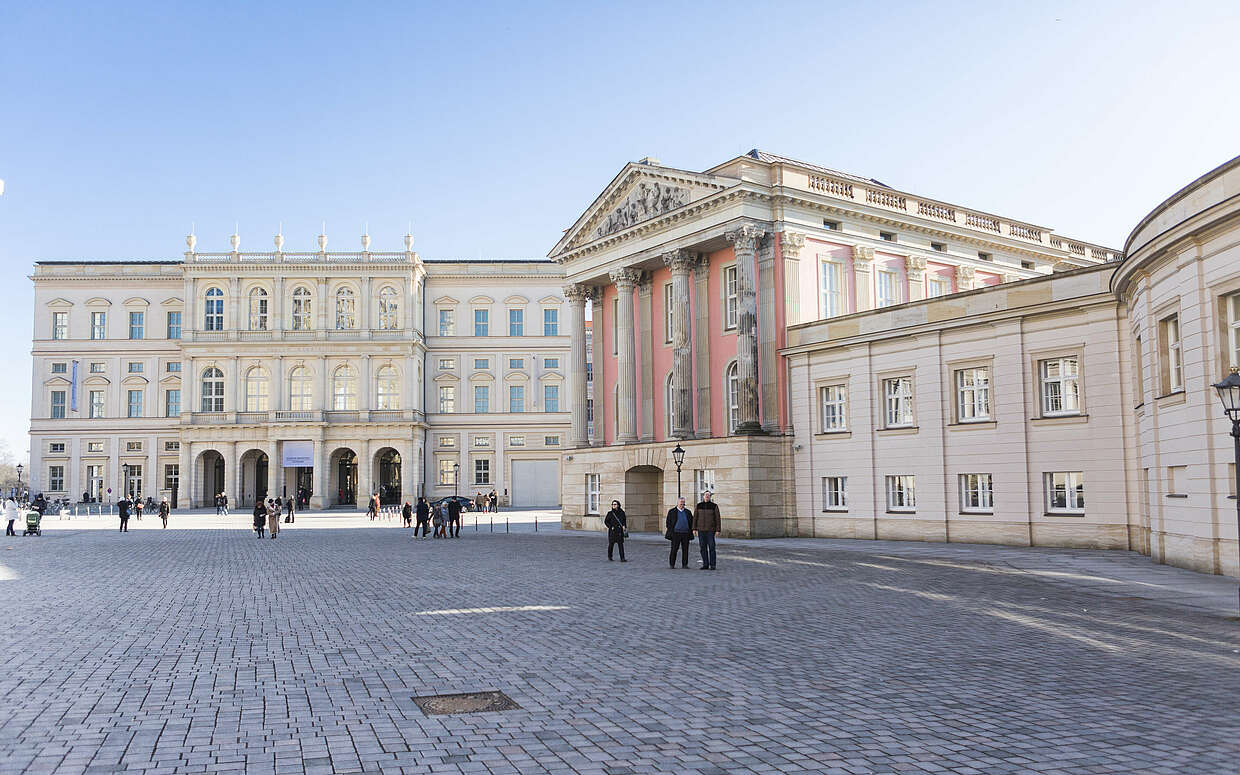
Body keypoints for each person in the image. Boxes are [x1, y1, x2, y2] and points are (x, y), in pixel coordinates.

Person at [693, 491, 721, 570]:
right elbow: (695, 518)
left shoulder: (714, 506)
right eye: (706, 495)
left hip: (710, 530)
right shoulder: (699, 506)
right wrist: (694, 528)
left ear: (710, 497)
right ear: (703, 496)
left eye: (708, 495)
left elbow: (717, 518)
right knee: (702, 547)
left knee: (712, 547)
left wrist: (717, 530)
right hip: (701, 530)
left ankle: (713, 564)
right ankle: (705, 564)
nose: (707, 496)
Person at [665, 496, 693, 569]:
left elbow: (691, 522)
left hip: (685, 533)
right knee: (674, 549)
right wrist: (671, 531)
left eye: (683, 503)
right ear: (677, 503)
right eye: (681, 502)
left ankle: (685, 564)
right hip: (675, 533)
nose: (682, 504)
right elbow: (668, 523)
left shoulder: (688, 512)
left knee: (685, 550)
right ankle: (672, 564)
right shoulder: (672, 511)